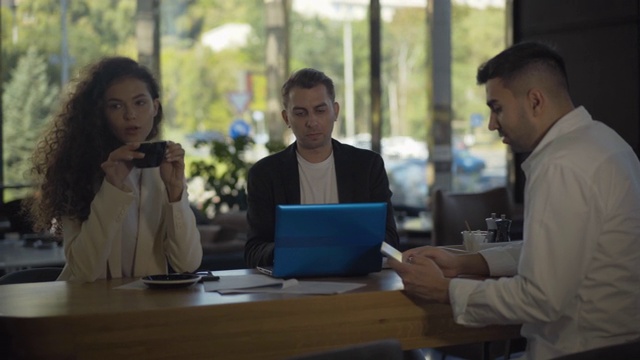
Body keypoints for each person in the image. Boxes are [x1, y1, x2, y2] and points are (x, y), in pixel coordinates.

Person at [388, 41, 640, 359]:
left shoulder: (561, 164)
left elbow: (540, 297)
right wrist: (468, 262)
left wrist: (445, 290)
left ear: (535, 101)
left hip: (578, 349)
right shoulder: (605, 141)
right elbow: (561, 251)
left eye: (497, 108)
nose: (492, 123)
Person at [26, 57, 202, 282]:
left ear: (155, 107)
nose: (130, 115)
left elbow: (187, 263)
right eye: (116, 106)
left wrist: (176, 191)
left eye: (140, 103)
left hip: (149, 308)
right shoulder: (78, 170)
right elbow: (84, 271)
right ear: (101, 113)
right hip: (87, 308)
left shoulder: (163, 168)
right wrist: (112, 188)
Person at [244, 68, 400, 267]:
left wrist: (352, 246)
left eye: (320, 110)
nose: (312, 122)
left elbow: (391, 241)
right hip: (291, 286)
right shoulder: (265, 174)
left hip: (358, 280)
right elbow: (253, 251)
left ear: (335, 111)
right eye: (301, 113)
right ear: (286, 119)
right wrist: (292, 250)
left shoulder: (367, 166)